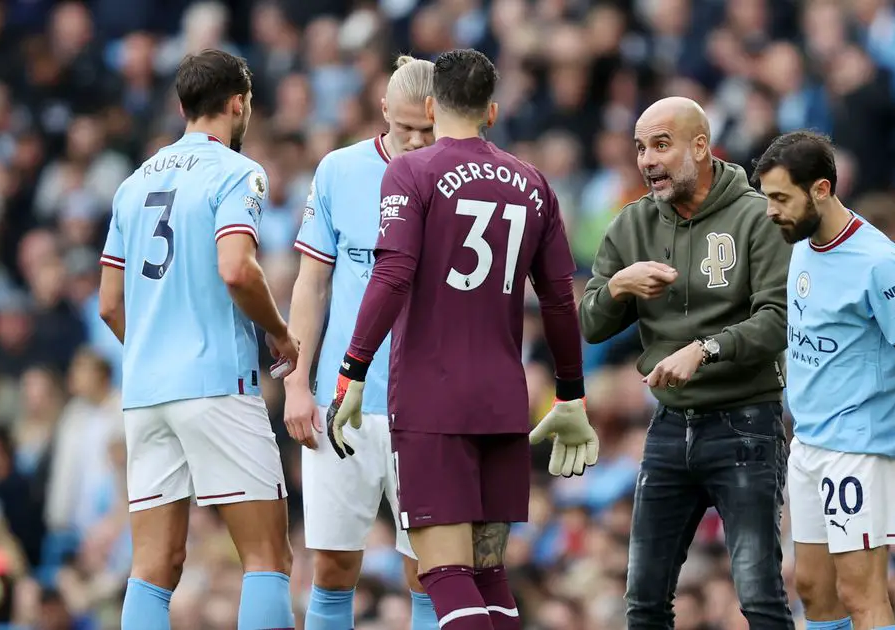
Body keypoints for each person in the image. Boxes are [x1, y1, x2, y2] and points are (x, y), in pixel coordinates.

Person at [324, 48, 599, 630]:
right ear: (492, 111)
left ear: (431, 105)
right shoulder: (534, 183)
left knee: (444, 576)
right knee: (489, 576)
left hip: (433, 400)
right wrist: (572, 394)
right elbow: (557, 298)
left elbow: (393, 275)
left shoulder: (411, 171)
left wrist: (351, 370)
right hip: (504, 399)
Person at [98, 49, 299, 630]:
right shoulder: (238, 172)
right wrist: (280, 334)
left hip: (143, 393)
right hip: (216, 381)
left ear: (182, 106)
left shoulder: (132, 185)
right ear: (238, 105)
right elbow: (236, 268)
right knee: (266, 557)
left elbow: (110, 304)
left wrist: (155, 352)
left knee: (153, 566)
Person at [579, 96, 794, 629]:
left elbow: (780, 319)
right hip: (670, 427)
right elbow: (589, 322)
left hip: (747, 421)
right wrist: (619, 287)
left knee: (760, 597)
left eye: (660, 144)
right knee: (644, 600)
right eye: (640, 148)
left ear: (700, 147)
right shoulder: (630, 223)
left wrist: (705, 349)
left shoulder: (755, 215)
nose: (647, 159)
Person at [755, 131, 895, 630]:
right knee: (813, 590)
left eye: (781, 198)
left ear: (820, 190)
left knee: (860, 592)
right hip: (809, 441)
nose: (770, 211)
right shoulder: (800, 245)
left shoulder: (880, 263)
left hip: (860, 446)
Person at [284, 54, 439, 630]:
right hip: (343, 399)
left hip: (426, 405)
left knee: (430, 568)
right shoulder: (339, 171)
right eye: (406, 128)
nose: (418, 140)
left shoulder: (458, 181)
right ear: (383, 112)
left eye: (429, 128)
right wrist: (298, 382)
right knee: (330, 566)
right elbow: (312, 282)